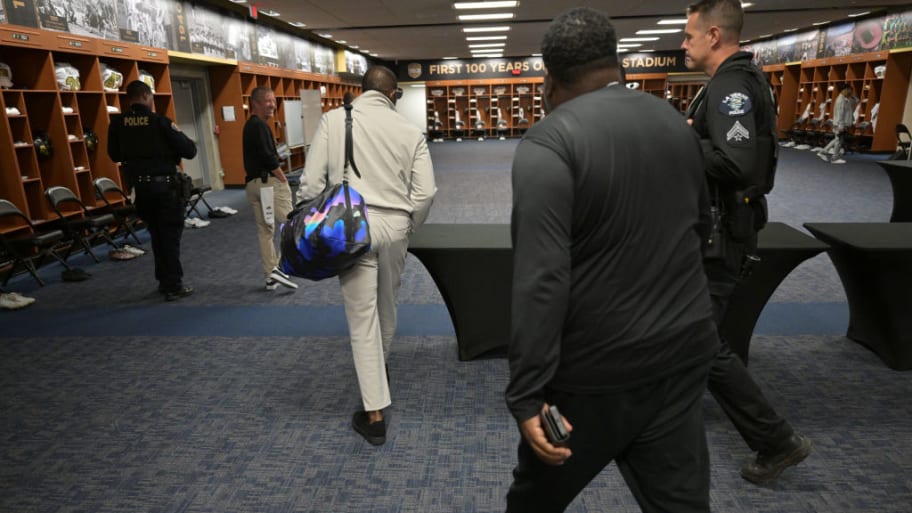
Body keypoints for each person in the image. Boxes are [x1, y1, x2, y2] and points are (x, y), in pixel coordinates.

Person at [505, 8, 719, 512]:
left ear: (548, 78)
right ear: (617, 64)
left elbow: (541, 279)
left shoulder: (549, 141)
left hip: (595, 375)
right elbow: (701, 230)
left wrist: (526, 392)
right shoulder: (674, 121)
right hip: (684, 352)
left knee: (533, 503)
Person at [682, 0, 812, 485]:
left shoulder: (732, 86)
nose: (683, 43)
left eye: (689, 35)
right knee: (689, 333)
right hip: (723, 228)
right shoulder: (735, 80)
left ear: (714, 35)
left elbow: (737, 164)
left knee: (702, 342)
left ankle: (776, 440)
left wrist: (682, 140)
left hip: (722, 234)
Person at [299, 66, 436, 446]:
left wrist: (312, 221)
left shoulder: (332, 120)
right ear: (393, 95)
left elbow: (310, 183)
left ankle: (374, 414)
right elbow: (425, 193)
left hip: (350, 227)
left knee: (362, 318)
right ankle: (379, 371)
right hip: (394, 227)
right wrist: (410, 226)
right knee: (387, 308)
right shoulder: (410, 132)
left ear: (360, 92)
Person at [107, 80, 197, 301]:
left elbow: (114, 155)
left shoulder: (117, 123)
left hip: (140, 189)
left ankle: (163, 280)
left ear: (130, 98)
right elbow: (189, 150)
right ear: (147, 96)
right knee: (170, 236)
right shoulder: (159, 122)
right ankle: (173, 285)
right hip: (165, 188)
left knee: (156, 234)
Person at [242, 86, 298, 291]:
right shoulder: (260, 126)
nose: (272, 105)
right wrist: (283, 179)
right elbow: (268, 157)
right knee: (293, 225)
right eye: (268, 101)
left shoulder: (250, 126)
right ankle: (281, 269)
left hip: (253, 185)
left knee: (265, 232)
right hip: (269, 184)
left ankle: (271, 274)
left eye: (273, 101)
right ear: (255, 103)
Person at [817, 83, 858, 164]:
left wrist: (852, 96)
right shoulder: (841, 100)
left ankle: (823, 152)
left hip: (841, 123)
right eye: (850, 90)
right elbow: (840, 113)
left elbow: (856, 101)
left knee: (837, 139)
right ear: (845, 89)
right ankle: (834, 158)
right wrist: (841, 125)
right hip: (839, 123)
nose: (850, 92)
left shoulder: (845, 99)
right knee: (839, 140)